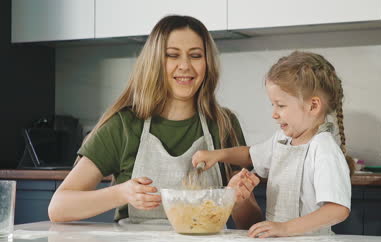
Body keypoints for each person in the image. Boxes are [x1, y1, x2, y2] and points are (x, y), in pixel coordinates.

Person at [48, 15, 261, 227]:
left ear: (207, 63)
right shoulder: (124, 125)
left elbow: (250, 223)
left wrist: (237, 199)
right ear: (155, 62)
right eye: (172, 55)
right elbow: (59, 207)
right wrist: (122, 193)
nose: (185, 66)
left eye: (195, 55)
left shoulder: (224, 124)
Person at [192, 51, 355, 237]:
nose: (274, 114)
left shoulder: (324, 148)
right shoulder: (281, 140)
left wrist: (285, 228)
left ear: (313, 106)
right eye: (273, 105)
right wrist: (218, 155)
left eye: (281, 105)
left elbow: (338, 209)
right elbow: (250, 155)